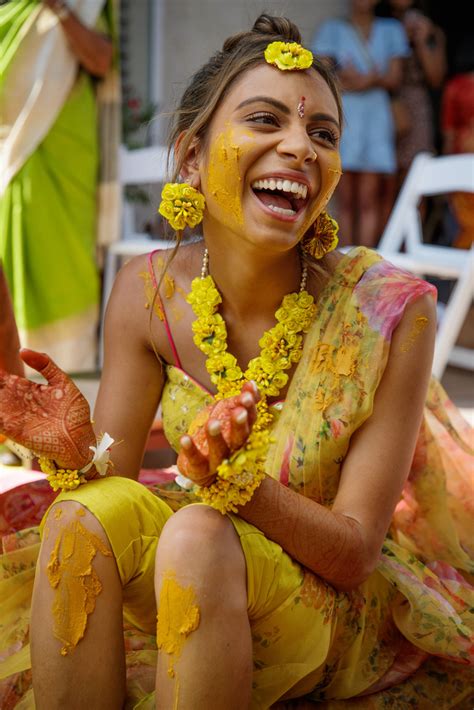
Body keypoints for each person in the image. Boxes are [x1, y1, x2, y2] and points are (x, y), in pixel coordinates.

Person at [0, 13, 473, 710]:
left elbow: (352, 553)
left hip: (330, 602)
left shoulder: (391, 311)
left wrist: (237, 485)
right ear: (191, 158)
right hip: (203, 568)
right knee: (82, 516)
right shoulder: (149, 291)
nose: (299, 148)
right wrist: (75, 450)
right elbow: (113, 477)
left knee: (194, 531)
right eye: (264, 119)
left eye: (323, 134)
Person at [0, 0, 118, 373]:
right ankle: (10, 365)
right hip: (9, 146)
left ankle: (66, 364)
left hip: (65, 143)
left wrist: (59, 9)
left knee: (64, 253)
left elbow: (101, 60)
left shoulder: (85, 4)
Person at [311, 0, 410, 248]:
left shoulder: (391, 29)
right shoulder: (332, 28)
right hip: (346, 114)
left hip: (376, 117)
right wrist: (367, 78)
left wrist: (363, 80)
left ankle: (364, 263)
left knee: (369, 199)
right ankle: (343, 263)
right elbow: (321, 73)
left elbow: (395, 78)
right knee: (344, 199)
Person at [382, 0, 446, 204]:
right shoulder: (378, 26)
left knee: (416, 177)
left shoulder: (429, 30)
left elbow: (436, 78)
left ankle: (413, 232)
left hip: (416, 108)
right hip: (383, 105)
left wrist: (422, 40)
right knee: (385, 182)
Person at [441, 37, 474, 249]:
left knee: (467, 223)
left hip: (461, 157)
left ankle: (462, 275)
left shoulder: (455, 87)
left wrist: (442, 170)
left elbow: (449, 134)